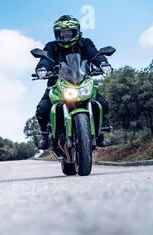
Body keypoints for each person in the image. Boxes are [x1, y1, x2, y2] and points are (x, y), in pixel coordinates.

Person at [35, 15, 113, 150]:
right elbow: (46, 58)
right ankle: (44, 134)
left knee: (103, 104)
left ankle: (99, 132)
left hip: (82, 81)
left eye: (68, 32)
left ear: (75, 31)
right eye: (62, 33)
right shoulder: (52, 46)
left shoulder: (85, 43)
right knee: (42, 109)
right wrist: (42, 68)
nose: (65, 35)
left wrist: (103, 64)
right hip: (57, 84)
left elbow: (94, 54)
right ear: (57, 34)